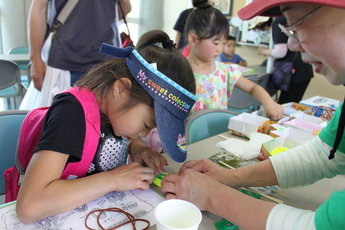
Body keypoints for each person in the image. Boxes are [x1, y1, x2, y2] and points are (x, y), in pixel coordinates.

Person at [162, 0, 345, 229]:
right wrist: (231, 177)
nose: (291, 44)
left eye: (296, 25)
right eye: (287, 30)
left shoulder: (224, 70)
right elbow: (325, 155)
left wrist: (212, 196)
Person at [15, 30, 196, 224]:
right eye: (145, 125)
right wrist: (113, 180)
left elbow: (106, 137)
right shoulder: (71, 113)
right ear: (121, 89)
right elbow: (29, 207)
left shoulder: (115, 111)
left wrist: (136, 146)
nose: (144, 134)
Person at [185, 0, 284, 120]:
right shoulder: (178, 71)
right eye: (216, 43)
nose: (220, 49)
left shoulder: (223, 71)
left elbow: (253, 88)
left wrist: (269, 103)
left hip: (217, 135)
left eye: (223, 43)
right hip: (188, 137)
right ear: (194, 40)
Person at [27, 0, 131, 107]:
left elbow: (117, 13)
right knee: (59, 119)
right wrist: (35, 59)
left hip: (105, 64)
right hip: (64, 62)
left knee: (100, 122)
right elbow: (39, 8)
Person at [257, 16, 314, 104]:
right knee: (290, 104)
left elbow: (281, 52)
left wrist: (263, 51)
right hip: (302, 70)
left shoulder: (279, 21)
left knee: (286, 105)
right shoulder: (287, 19)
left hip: (294, 72)